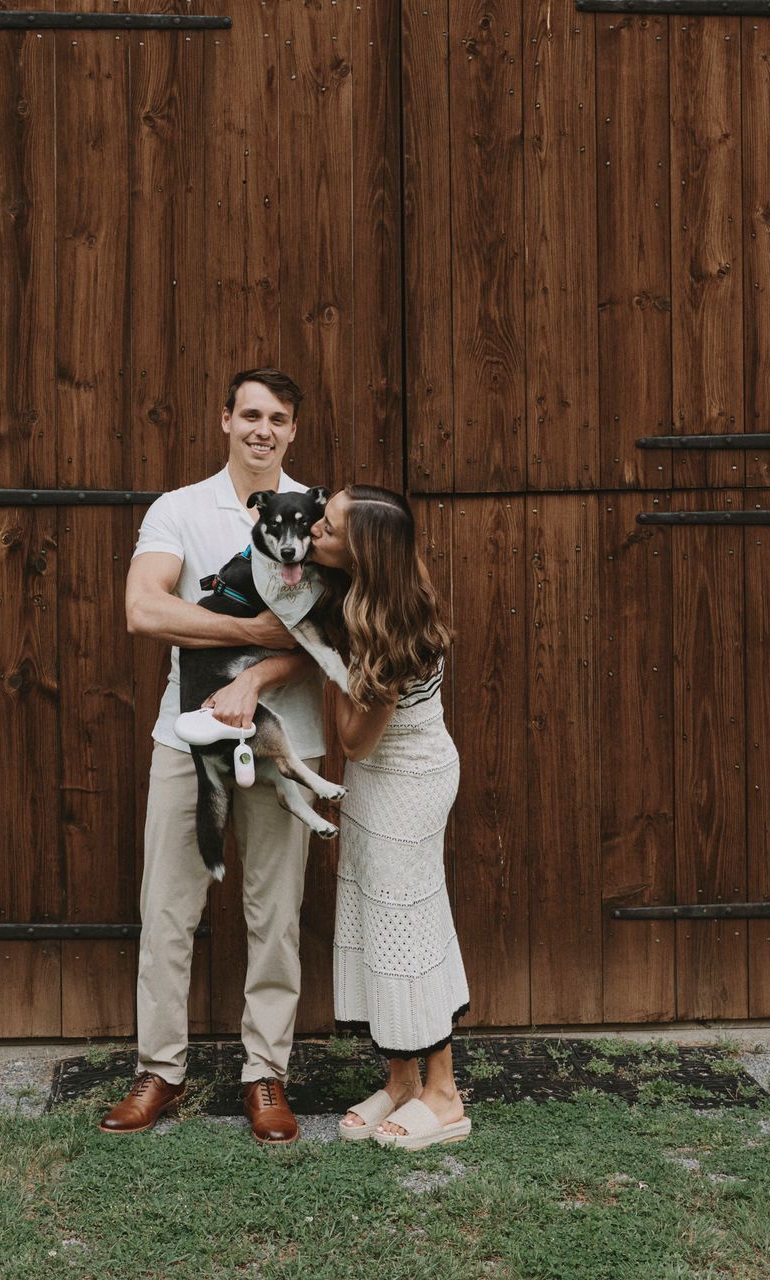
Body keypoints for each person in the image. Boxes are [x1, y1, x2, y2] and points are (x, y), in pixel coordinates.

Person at [103, 368, 323, 1145]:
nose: (264, 429)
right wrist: (252, 633)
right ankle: (160, 1071)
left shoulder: (318, 514)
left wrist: (265, 665)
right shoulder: (180, 509)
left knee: (276, 916)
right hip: (187, 735)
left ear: (292, 431)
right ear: (225, 419)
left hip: (282, 742)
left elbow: (331, 637)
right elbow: (143, 608)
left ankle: (265, 1075)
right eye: (251, 414)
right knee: (166, 911)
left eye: (279, 418)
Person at [305, 485, 472, 1150]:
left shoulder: (391, 629)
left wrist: (323, 651)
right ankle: (401, 1081)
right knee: (379, 921)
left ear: (363, 554)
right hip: (376, 783)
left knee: (408, 929)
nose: (316, 528)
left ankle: (445, 1095)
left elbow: (352, 740)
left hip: (408, 780)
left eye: (330, 527)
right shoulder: (378, 587)